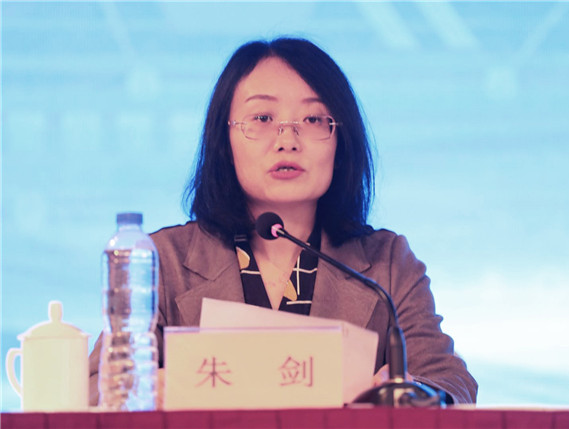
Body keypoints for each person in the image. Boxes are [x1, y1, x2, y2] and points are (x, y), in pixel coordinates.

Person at [89, 37, 477, 405]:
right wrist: (142, 388)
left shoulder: (387, 264)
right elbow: (93, 388)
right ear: (224, 142)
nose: (287, 140)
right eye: (262, 117)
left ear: (341, 143)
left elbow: (450, 382)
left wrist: (413, 396)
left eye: (313, 119)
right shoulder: (164, 262)